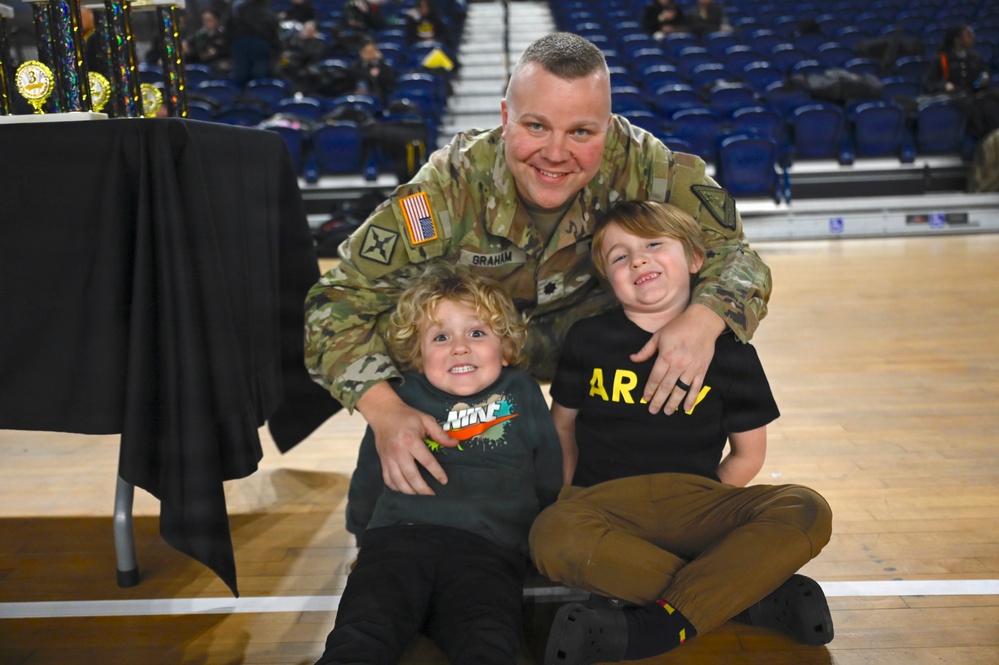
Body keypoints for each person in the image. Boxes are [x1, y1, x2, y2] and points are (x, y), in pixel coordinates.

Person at [304, 32, 771, 522]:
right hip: (477, 345)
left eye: (581, 133)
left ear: (608, 130)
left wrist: (702, 320)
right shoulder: (447, 189)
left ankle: (632, 501)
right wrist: (385, 411)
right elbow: (335, 304)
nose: (555, 153)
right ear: (506, 119)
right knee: (408, 331)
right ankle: (385, 506)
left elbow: (736, 256)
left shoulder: (649, 168)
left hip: (602, 344)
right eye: (536, 126)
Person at [530, 200, 833, 665]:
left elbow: (747, 456)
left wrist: (707, 504)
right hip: (604, 506)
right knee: (552, 535)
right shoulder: (587, 339)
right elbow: (563, 426)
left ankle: (653, 626)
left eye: (654, 244)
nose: (639, 260)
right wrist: (566, 494)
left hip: (698, 503)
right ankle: (743, 600)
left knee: (806, 508)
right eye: (620, 256)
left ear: (695, 259)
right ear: (607, 278)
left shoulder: (732, 352)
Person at [314, 261, 562, 665]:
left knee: (490, 639)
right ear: (418, 352)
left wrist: (544, 534)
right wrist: (362, 533)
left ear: (506, 346)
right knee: (361, 632)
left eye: (477, 333)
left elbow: (547, 463)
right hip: (397, 543)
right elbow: (370, 471)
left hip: (487, 550)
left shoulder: (521, 390)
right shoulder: (400, 398)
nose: (459, 347)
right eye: (441, 337)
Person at [923, 24, 999, 140]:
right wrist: (945, 85)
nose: (972, 37)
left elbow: (983, 75)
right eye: (968, 35)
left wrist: (982, 80)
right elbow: (929, 83)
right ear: (957, 40)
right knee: (969, 105)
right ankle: (982, 137)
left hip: (975, 93)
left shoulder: (975, 57)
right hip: (955, 96)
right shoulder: (942, 59)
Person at [228, 0, 281, 88]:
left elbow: (228, 27)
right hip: (260, 44)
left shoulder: (238, 8)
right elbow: (274, 31)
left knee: (240, 78)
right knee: (259, 80)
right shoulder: (267, 11)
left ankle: (240, 99)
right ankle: (258, 99)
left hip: (241, 44)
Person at [184, 9, 231, 76]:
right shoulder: (198, 36)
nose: (207, 23)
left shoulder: (224, 35)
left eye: (209, 20)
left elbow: (228, 50)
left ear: (216, 20)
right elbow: (191, 50)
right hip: (201, 65)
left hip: (219, 66)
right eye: (205, 20)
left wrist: (216, 52)